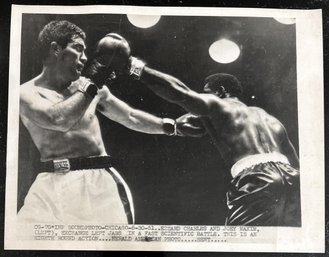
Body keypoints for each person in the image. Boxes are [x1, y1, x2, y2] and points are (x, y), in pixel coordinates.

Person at [105, 35, 301, 226]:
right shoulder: (270, 119)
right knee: (287, 244)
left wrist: (132, 65)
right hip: (294, 179)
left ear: (221, 91)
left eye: (206, 92)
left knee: (240, 246)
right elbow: (296, 163)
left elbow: (181, 94)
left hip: (257, 179)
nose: (203, 97)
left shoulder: (219, 105)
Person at [19, 20, 179, 224]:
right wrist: (90, 85)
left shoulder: (92, 89)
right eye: (78, 49)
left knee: (114, 247)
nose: (85, 58)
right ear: (55, 49)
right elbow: (58, 120)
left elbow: (130, 116)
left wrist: (173, 126)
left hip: (98, 182)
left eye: (85, 51)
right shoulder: (25, 94)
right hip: (49, 182)